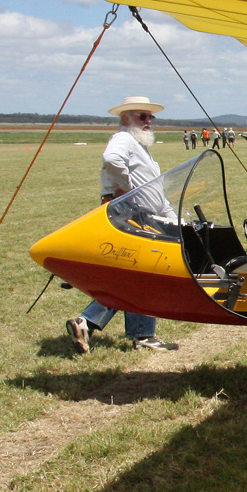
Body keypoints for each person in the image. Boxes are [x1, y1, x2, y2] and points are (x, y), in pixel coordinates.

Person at [66, 95, 178, 353]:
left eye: (151, 117)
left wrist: (174, 220)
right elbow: (112, 160)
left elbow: (155, 192)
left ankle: (88, 322)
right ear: (127, 118)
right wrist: (128, 191)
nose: (148, 121)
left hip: (144, 213)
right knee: (145, 272)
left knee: (134, 274)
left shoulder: (140, 146)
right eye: (142, 116)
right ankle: (142, 335)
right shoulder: (124, 138)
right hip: (130, 213)